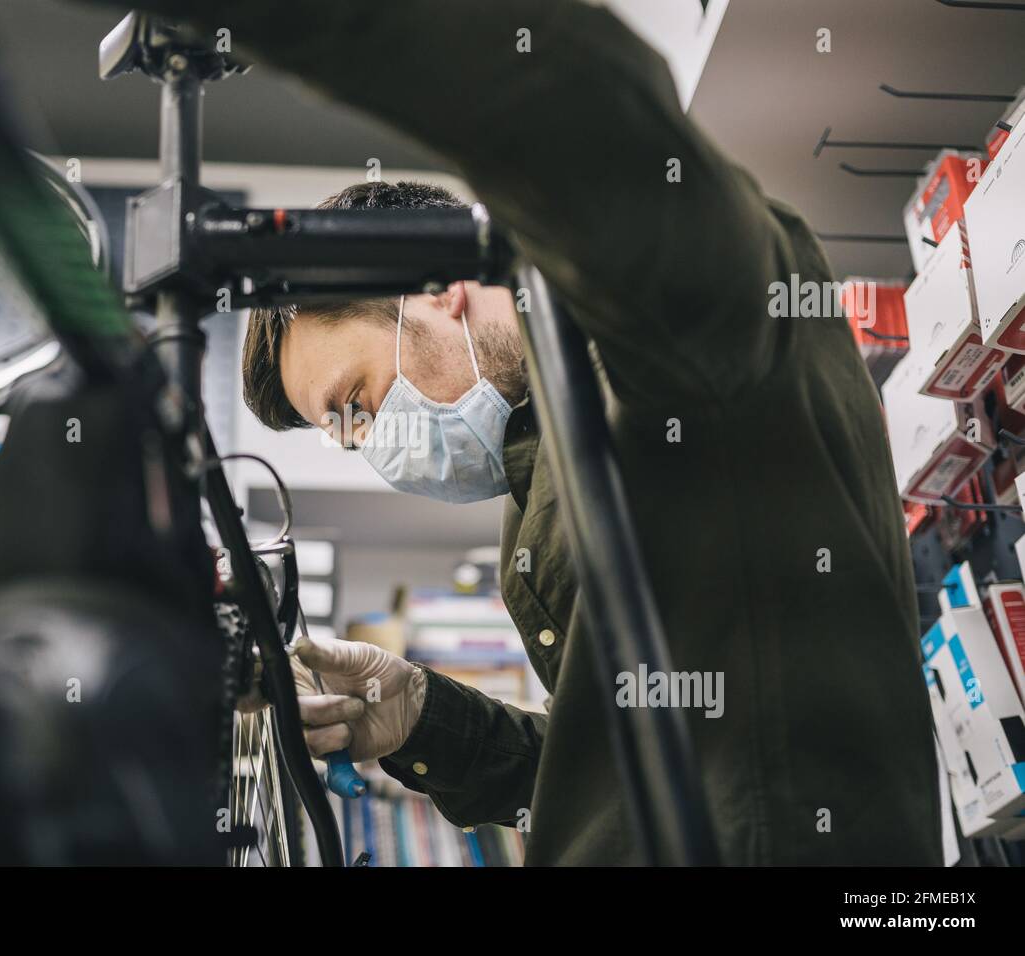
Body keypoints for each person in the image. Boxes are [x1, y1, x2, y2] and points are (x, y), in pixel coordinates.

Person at [171, 0, 941, 864]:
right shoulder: (544, 476)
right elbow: (627, 775)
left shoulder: (677, 333)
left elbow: (575, 101)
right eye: (342, 432)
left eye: (355, 401)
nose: (366, 442)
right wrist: (421, 714)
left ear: (436, 288)